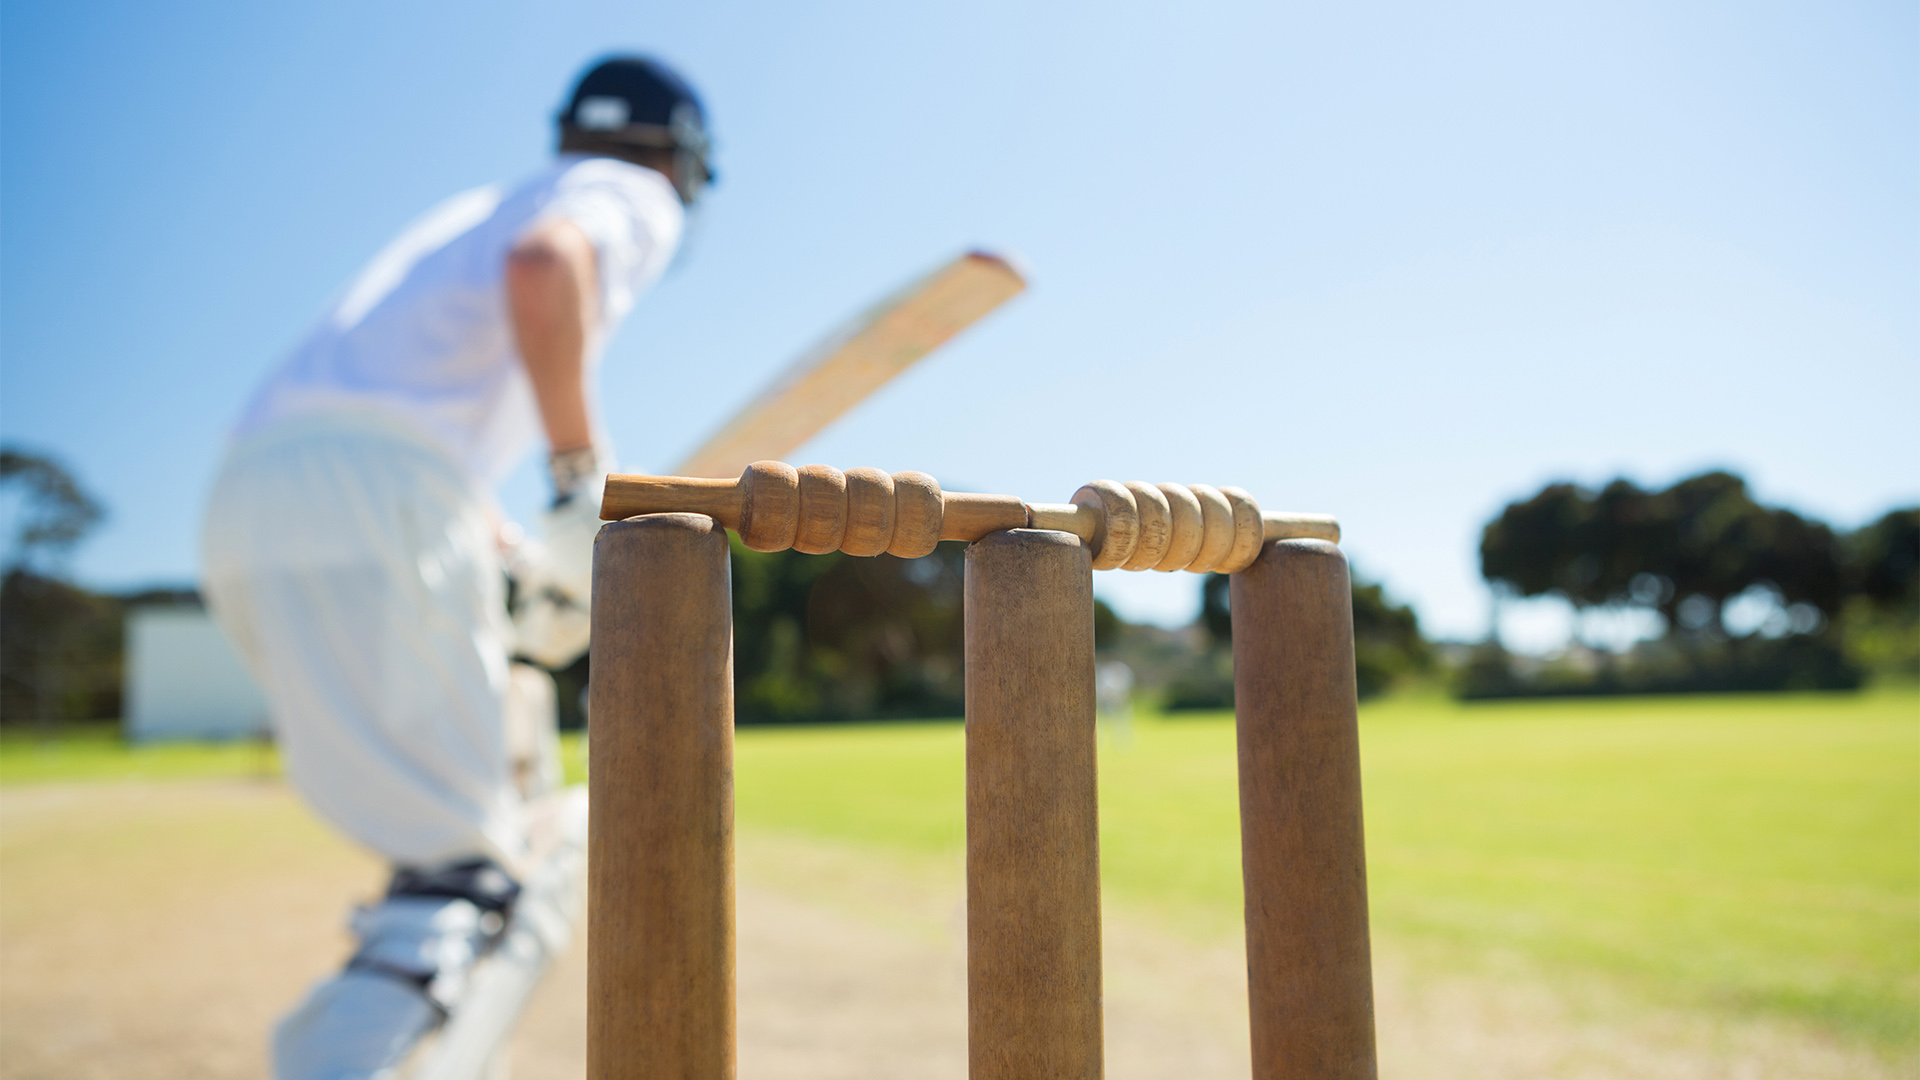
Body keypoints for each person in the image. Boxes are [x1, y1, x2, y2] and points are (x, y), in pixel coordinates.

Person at [200, 55, 714, 1077]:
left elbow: (395, 415)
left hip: (254, 500)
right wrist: (580, 487)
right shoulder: (627, 192)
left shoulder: (470, 213)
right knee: (477, 883)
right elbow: (544, 267)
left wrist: (517, 558)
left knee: (444, 855)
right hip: (378, 496)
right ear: (681, 157)